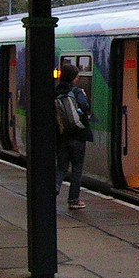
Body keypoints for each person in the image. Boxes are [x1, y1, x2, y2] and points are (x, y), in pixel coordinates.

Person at [55, 62, 92, 210]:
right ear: (72, 78)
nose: (78, 78)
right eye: (77, 76)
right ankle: (74, 199)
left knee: (61, 167)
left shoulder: (56, 91)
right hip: (77, 135)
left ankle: (55, 188)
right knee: (77, 168)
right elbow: (85, 107)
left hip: (61, 135)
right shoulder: (76, 92)